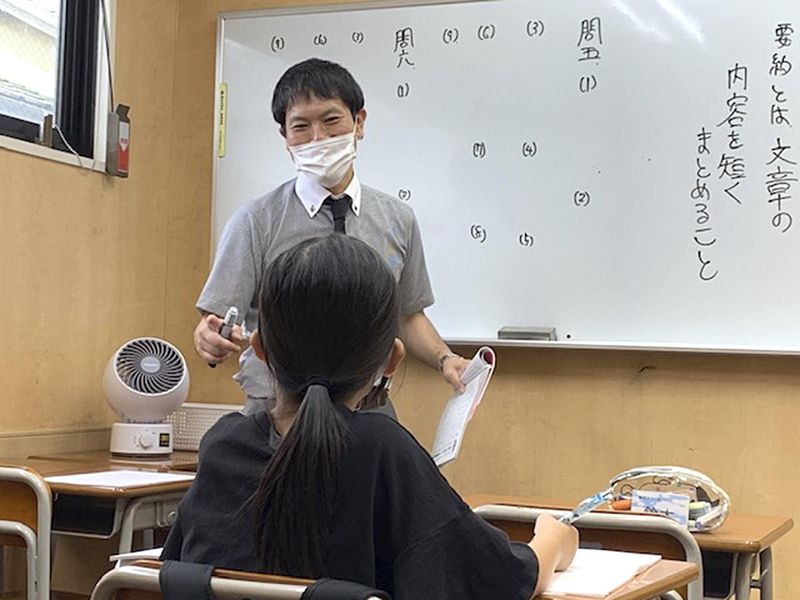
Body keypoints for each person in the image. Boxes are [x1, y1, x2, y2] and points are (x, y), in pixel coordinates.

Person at [163, 235, 577, 599]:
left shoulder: (224, 446)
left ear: (260, 350)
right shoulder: (382, 450)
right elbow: (499, 580)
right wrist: (552, 542)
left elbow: (174, 572)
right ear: (393, 359)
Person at [194, 58, 470, 415]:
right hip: (277, 413)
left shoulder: (397, 219)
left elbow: (407, 315)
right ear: (285, 137)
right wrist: (209, 337)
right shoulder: (254, 221)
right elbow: (216, 320)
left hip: (369, 410)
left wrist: (445, 359)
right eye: (301, 126)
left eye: (331, 120)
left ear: (359, 122)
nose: (318, 138)